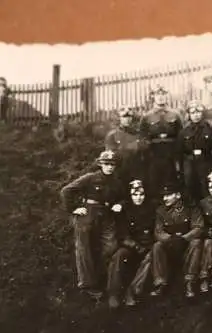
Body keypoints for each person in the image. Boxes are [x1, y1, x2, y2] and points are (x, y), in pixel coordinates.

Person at [60, 150, 125, 298]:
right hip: (88, 214)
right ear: (100, 164)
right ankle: (88, 285)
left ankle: (101, 276)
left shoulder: (117, 182)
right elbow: (66, 191)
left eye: (112, 164)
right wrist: (74, 208)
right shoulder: (90, 178)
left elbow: (122, 198)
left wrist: (120, 204)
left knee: (111, 246)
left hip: (107, 215)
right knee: (84, 250)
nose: (109, 167)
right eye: (106, 164)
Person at [107, 179, 156, 308]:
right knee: (119, 255)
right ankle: (114, 293)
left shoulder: (152, 208)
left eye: (141, 194)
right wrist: (135, 246)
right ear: (130, 195)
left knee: (152, 257)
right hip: (132, 245)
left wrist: (148, 246)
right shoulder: (125, 209)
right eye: (135, 194)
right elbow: (123, 234)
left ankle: (132, 291)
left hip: (148, 245)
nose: (138, 198)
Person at [151, 183, 204, 298]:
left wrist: (184, 238)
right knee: (157, 246)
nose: (165, 198)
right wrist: (171, 239)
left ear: (178, 195)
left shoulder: (191, 208)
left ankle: (190, 282)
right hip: (170, 247)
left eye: (168, 195)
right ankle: (160, 282)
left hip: (186, 247)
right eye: (164, 196)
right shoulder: (160, 211)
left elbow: (198, 227)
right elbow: (158, 232)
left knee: (196, 242)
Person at [138, 85, 184, 199]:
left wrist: (178, 156)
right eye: (158, 94)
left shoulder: (175, 114)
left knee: (172, 183)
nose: (161, 97)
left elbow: (181, 135)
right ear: (153, 96)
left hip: (171, 154)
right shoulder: (147, 117)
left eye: (163, 94)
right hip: (154, 155)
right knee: (154, 184)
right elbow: (143, 138)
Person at [178, 100, 212, 203]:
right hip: (190, 163)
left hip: (206, 162)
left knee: (206, 187)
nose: (196, 115)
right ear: (189, 114)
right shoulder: (184, 131)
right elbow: (179, 151)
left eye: (198, 112)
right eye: (193, 113)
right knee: (190, 188)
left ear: (202, 113)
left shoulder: (210, 129)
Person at [104, 105, 146, 183]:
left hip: (137, 172)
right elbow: (111, 156)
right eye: (124, 117)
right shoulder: (112, 135)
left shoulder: (139, 135)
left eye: (129, 117)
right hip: (119, 173)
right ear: (119, 118)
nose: (127, 120)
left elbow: (144, 152)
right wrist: (133, 147)